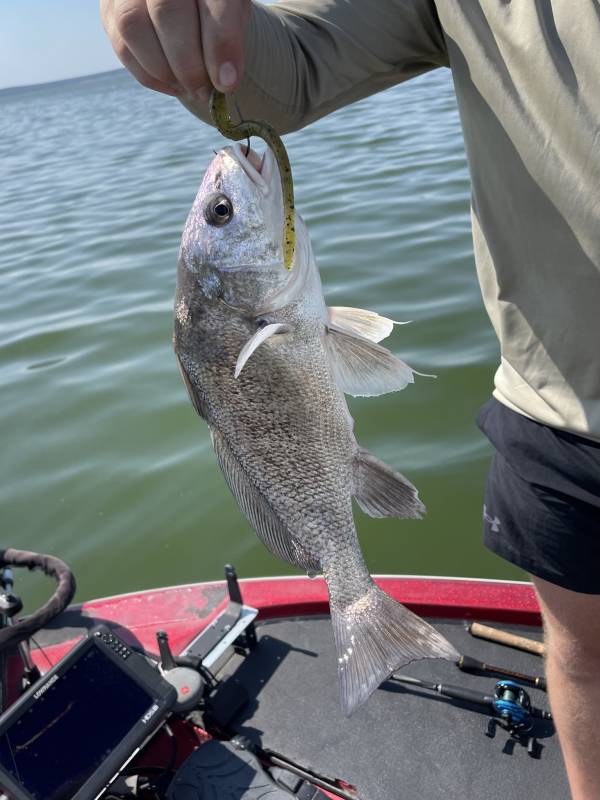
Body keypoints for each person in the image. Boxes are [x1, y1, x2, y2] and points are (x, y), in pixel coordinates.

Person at [100, 2, 600, 797]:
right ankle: (355, 599)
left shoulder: (270, 317)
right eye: (223, 216)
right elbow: (289, 63)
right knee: (583, 654)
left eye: (220, 215)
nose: (227, 188)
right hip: (561, 412)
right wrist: (201, 45)